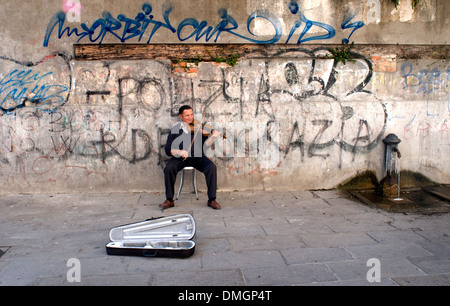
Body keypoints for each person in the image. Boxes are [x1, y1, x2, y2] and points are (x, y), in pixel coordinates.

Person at [160, 105, 222, 210]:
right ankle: (169, 200)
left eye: (191, 114)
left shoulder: (198, 128)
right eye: (187, 115)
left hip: (197, 156)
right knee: (169, 168)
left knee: (211, 168)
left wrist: (212, 137)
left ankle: (212, 199)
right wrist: (179, 151)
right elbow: (168, 149)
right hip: (179, 158)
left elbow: (206, 145)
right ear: (181, 116)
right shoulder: (175, 130)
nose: (190, 117)